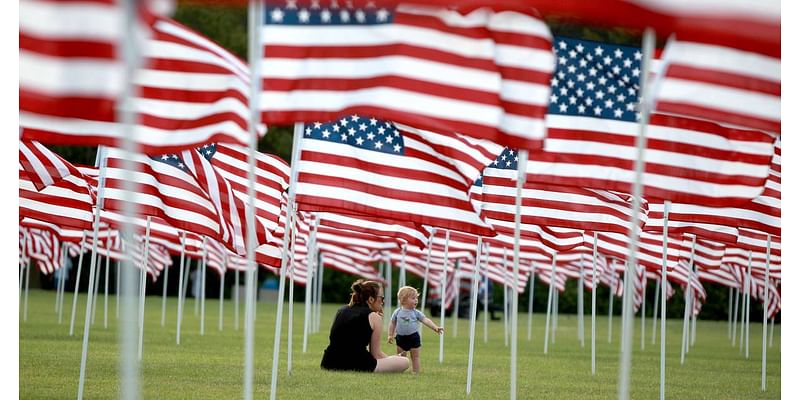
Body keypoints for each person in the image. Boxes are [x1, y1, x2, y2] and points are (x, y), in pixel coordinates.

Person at [320, 279, 409, 373]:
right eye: (381, 298)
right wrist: (391, 359)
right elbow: (376, 355)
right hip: (357, 363)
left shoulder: (342, 310)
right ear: (371, 299)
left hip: (328, 362)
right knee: (404, 361)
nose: (382, 302)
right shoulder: (374, 317)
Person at [387, 286, 444, 374]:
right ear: (404, 300)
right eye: (413, 298)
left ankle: (415, 372)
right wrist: (390, 334)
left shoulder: (415, 312)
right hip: (400, 337)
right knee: (401, 356)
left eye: (416, 298)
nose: (416, 300)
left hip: (413, 337)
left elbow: (425, 320)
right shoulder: (397, 312)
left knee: (415, 356)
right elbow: (392, 323)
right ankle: (400, 370)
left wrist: (435, 327)